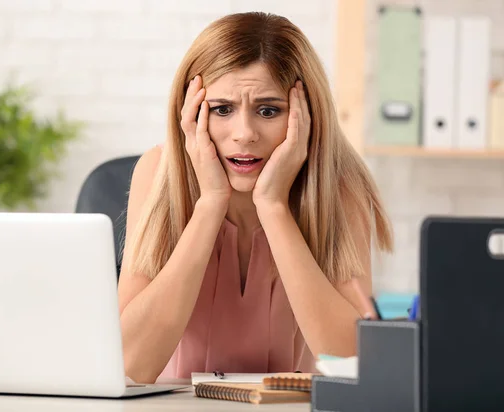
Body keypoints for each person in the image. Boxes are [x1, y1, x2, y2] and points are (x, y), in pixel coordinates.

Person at [117, 11, 393, 384]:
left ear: (306, 114)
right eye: (222, 109)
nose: (244, 133)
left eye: (268, 110)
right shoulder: (158, 172)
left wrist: (274, 207)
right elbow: (128, 366)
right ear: (191, 112)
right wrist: (211, 202)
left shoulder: (339, 186)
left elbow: (354, 364)